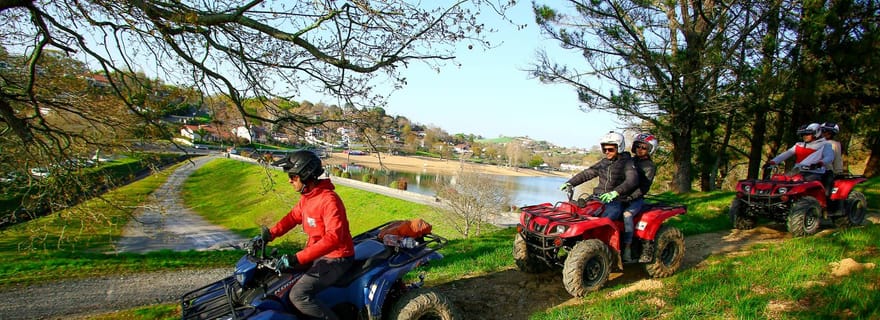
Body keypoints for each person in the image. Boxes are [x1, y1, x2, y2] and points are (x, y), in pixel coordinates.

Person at [264, 150, 355, 320]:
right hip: (318, 254)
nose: (289, 180)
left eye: (293, 176)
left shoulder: (329, 200)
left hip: (336, 258)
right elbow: (292, 218)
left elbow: (333, 238)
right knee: (278, 277)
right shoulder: (307, 197)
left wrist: (298, 258)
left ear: (306, 176)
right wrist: (269, 234)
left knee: (298, 294)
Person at [560, 131, 638, 222]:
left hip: (616, 200)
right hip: (597, 198)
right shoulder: (604, 162)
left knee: (604, 220)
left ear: (619, 148)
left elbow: (632, 180)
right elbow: (588, 173)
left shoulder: (627, 163)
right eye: (604, 150)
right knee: (575, 215)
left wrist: (616, 192)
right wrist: (570, 183)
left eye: (610, 150)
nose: (607, 152)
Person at [619, 133, 658, 263]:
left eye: (643, 147)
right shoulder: (629, 160)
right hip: (620, 195)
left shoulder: (649, 166)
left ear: (650, 150)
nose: (639, 149)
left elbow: (644, 187)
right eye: (637, 146)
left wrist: (631, 197)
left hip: (635, 199)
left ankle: (627, 248)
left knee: (627, 215)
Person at [766, 123, 834, 183]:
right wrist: (773, 162)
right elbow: (786, 154)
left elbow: (829, 157)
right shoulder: (798, 145)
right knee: (779, 181)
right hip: (796, 171)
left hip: (815, 173)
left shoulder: (825, 144)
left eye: (807, 134)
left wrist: (820, 163)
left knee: (803, 184)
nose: (804, 136)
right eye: (803, 134)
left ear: (816, 133)